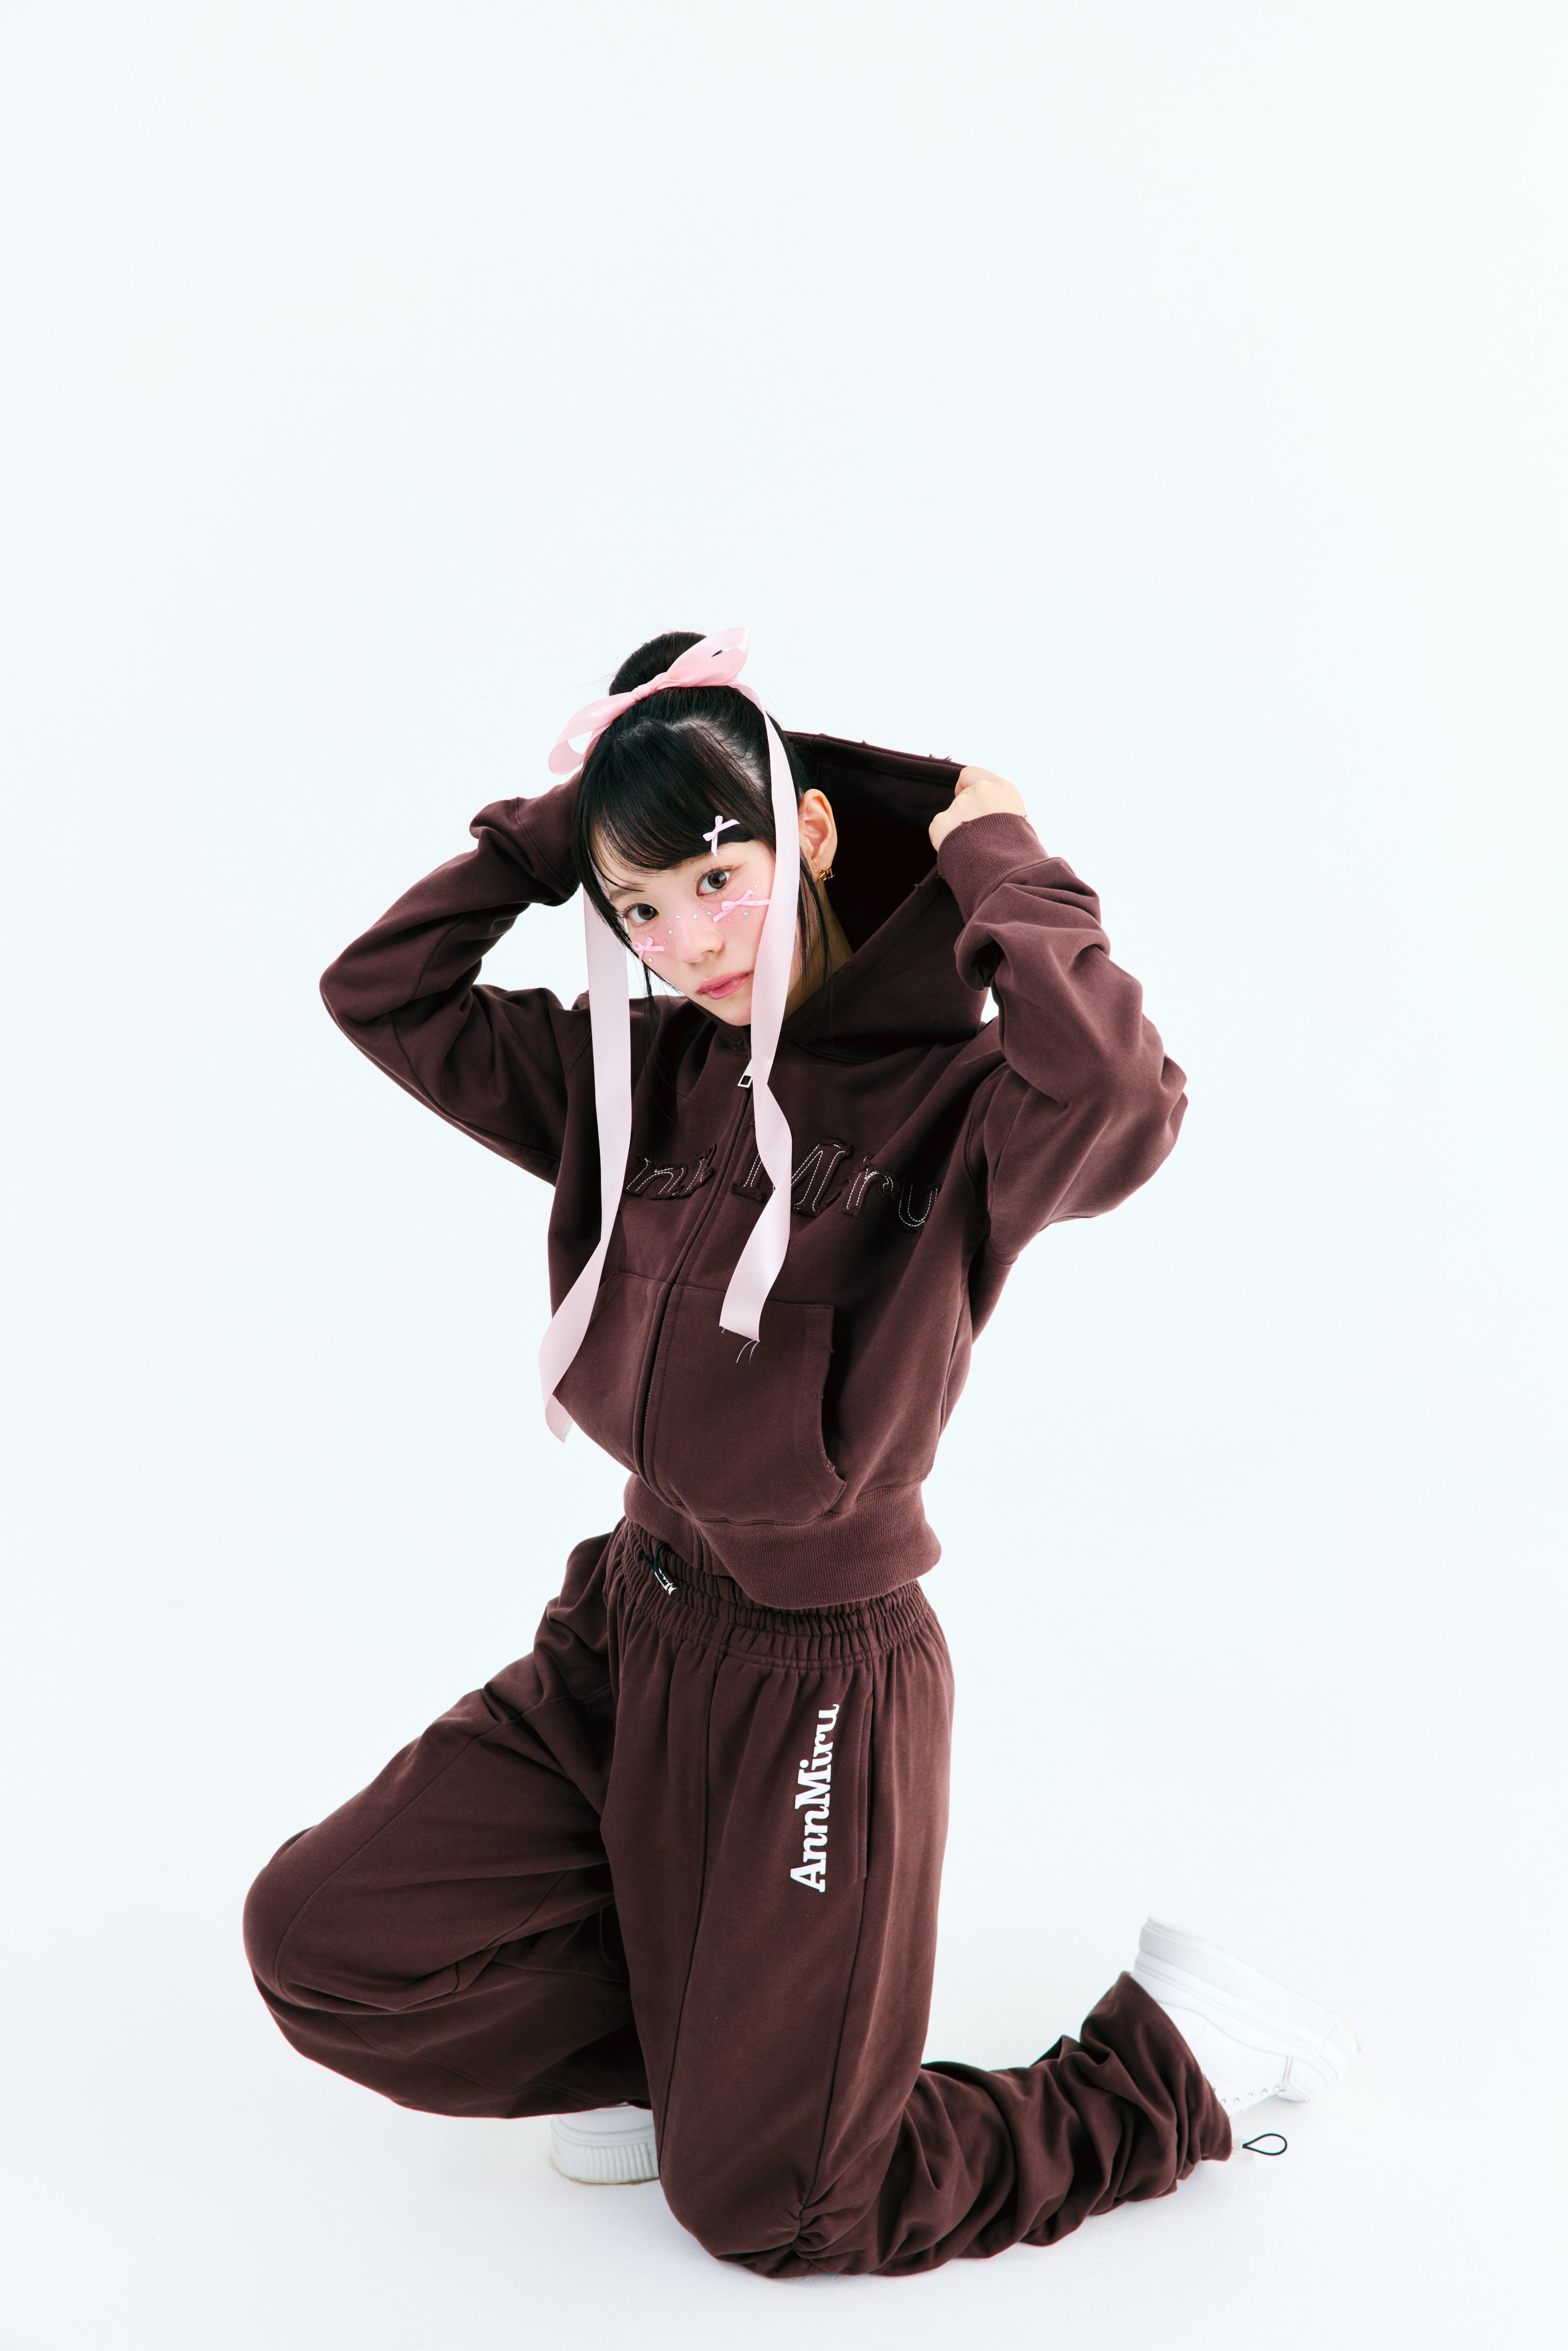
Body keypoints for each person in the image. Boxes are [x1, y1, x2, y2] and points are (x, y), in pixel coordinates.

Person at [243, 628, 1356, 2276]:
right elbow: (381, 990)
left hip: (813, 1681)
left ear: (811, 832)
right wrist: (564, 828)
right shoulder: (631, 1076)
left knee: (782, 2207)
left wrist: (996, 853)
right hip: (625, 1629)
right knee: (325, 1940)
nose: (683, 941)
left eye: (716, 878)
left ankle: (1175, 2058)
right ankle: (670, 2051)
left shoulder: (959, 1099)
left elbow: (1120, 1097)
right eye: (638, 909)